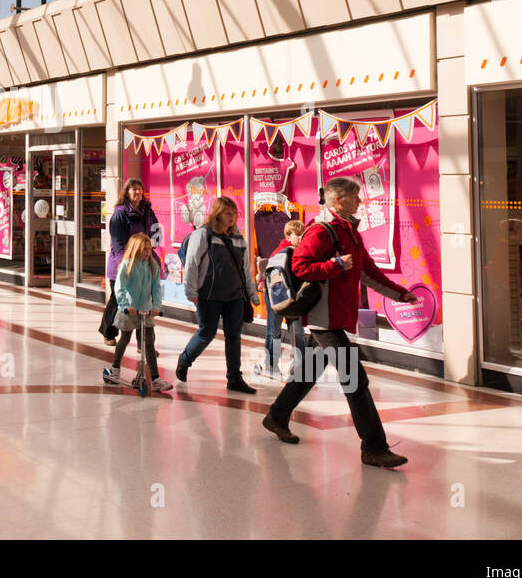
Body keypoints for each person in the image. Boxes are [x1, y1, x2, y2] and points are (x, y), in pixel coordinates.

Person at [261, 177, 418, 469]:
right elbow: (300, 267)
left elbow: (367, 272)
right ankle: (374, 447)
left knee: (308, 373)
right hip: (324, 320)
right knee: (355, 381)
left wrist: (400, 293)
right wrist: (334, 265)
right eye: (354, 196)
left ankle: (277, 416)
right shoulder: (321, 231)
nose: (360, 201)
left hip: (336, 316)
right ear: (337, 200)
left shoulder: (349, 232)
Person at [174, 196, 259, 393]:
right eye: (228, 213)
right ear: (218, 214)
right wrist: (191, 290)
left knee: (234, 336)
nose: (232, 218)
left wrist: (252, 295)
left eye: (235, 214)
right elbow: (192, 264)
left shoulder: (239, 239)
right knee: (207, 333)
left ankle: (234, 378)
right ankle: (185, 360)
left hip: (234, 296)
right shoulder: (204, 234)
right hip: (209, 295)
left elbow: (246, 270)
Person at [103, 233, 172, 392]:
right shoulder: (127, 265)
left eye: (149, 249)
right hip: (129, 310)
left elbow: (156, 288)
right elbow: (119, 288)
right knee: (124, 339)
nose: (148, 252)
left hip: (145, 310)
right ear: (135, 249)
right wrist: (125, 305)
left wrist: (156, 306)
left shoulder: (152, 265)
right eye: (144, 249)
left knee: (149, 342)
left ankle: (155, 378)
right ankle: (115, 368)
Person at [100, 179, 161, 346]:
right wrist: (126, 267)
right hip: (122, 266)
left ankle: (144, 344)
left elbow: (156, 233)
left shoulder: (147, 211)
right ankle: (108, 332)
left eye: (140, 189)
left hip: (144, 265)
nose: (138, 192)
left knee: (144, 302)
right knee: (117, 301)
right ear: (126, 192)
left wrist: (153, 255)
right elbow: (119, 246)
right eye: (134, 189)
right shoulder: (120, 214)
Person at [255, 219, 308, 380]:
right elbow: (269, 272)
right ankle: (271, 363)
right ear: (288, 235)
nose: (300, 238)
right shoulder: (281, 251)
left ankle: (299, 363)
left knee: (298, 331)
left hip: (293, 295)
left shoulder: (300, 251)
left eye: (302, 235)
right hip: (276, 295)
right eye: (297, 235)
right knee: (274, 330)